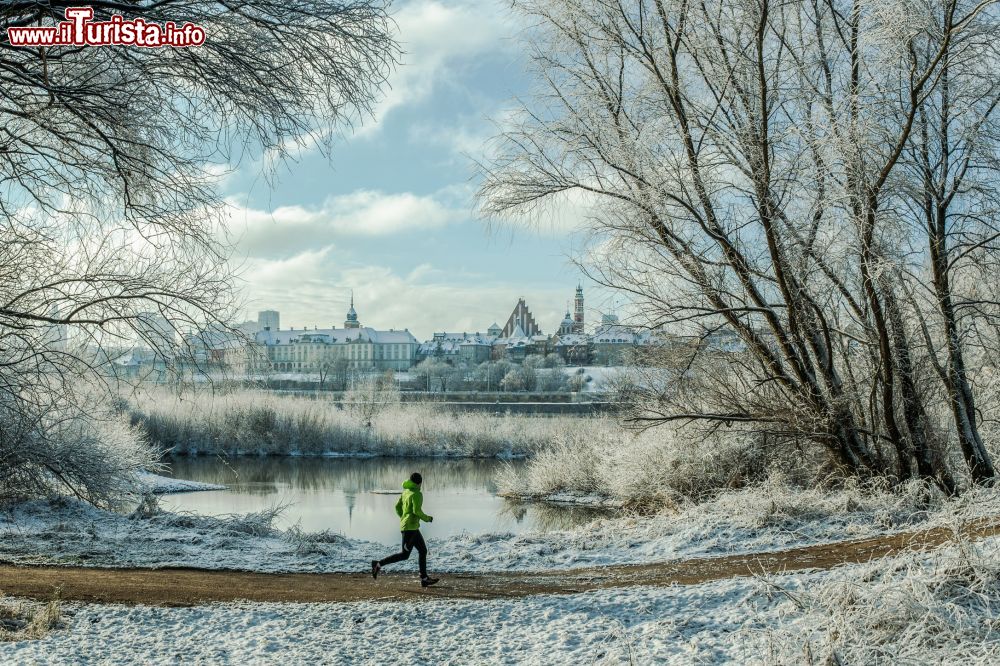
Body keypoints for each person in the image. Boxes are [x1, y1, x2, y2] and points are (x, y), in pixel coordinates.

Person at [371, 472, 439, 587]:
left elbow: (397, 507)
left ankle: (424, 578)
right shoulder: (417, 494)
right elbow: (417, 511)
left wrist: (403, 517)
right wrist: (427, 518)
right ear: (419, 483)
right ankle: (378, 564)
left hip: (409, 526)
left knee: (422, 551)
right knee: (404, 555)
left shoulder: (406, 492)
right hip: (411, 528)